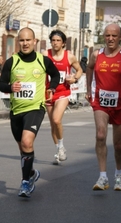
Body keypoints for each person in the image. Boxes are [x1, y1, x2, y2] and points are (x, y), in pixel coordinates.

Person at [0, 27, 60, 198]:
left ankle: (25, 183)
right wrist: (11, 87)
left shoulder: (43, 61)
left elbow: (55, 76)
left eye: (28, 40)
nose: (25, 43)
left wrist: (52, 88)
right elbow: (1, 84)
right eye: (22, 40)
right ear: (19, 42)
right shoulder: (12, 62)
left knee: (27, 141)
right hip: (16, 110)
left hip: (35, 108)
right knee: (23, 148)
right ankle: (31, 173)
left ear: (35, 41)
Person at [85, 23, 121, 191]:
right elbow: (89, 69)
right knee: (101, 135)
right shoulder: (96, 55)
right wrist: (89, 89)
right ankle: (103, 177)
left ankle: (119, 173)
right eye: (107, 35)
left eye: (114, 36)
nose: (110, 39)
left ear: (120, 37)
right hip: (100, 102)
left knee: (118, 144)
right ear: (103, 36)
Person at [43, 29, 83, 164]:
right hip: (48, 93)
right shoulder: (45, 55)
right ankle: (59, 149)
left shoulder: (69, 56)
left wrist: (74, 79)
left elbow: (79, 70)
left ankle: (60, 146)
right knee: (52, 125)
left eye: (58, 40)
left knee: (56, 120)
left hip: (63, 92)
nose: (55, 43)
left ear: (63, 43)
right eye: (53, 40)